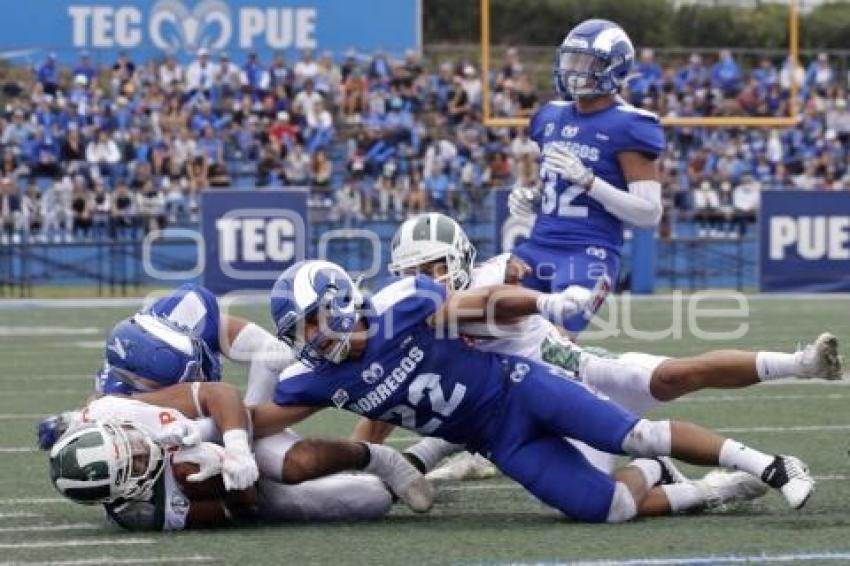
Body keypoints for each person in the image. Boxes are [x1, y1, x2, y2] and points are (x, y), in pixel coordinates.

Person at [252, 260, 814, 524]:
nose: (309, 339)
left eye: (310, 322)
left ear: (338, 301)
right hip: (499, 443)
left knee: (638, 435)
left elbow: (482, 304)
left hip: (521, 390)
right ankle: (706, 488)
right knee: (610, 507)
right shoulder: (318, 379)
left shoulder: (403, 305)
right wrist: (210, 432)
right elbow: (266, 417)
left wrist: (547, 303)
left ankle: (772, 466)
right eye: (299, 331)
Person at [47, 382, 423, 529]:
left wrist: (236, 446)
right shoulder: (141, 512)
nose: (142, 448)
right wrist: (225, 467)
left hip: (233, 424)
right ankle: (435, 449)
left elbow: (219, 394)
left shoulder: (113, 413)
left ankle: (377, 457)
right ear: (125, 491)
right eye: (139, 462)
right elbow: (240, 510)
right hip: (234, 482)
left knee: (298, 464)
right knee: (371, 499)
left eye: (132, 444)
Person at [508, 19, 664, 335]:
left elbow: (650, 214)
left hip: (587, 253)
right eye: (570, 61)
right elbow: (559, 186)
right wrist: (533, 198)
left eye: (585, 63)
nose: (573, 70)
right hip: (536, 247)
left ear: (614, 69)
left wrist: (590, 182)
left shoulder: (629, 125)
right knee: (477, 325)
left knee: (553, 347)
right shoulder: (549, 116)